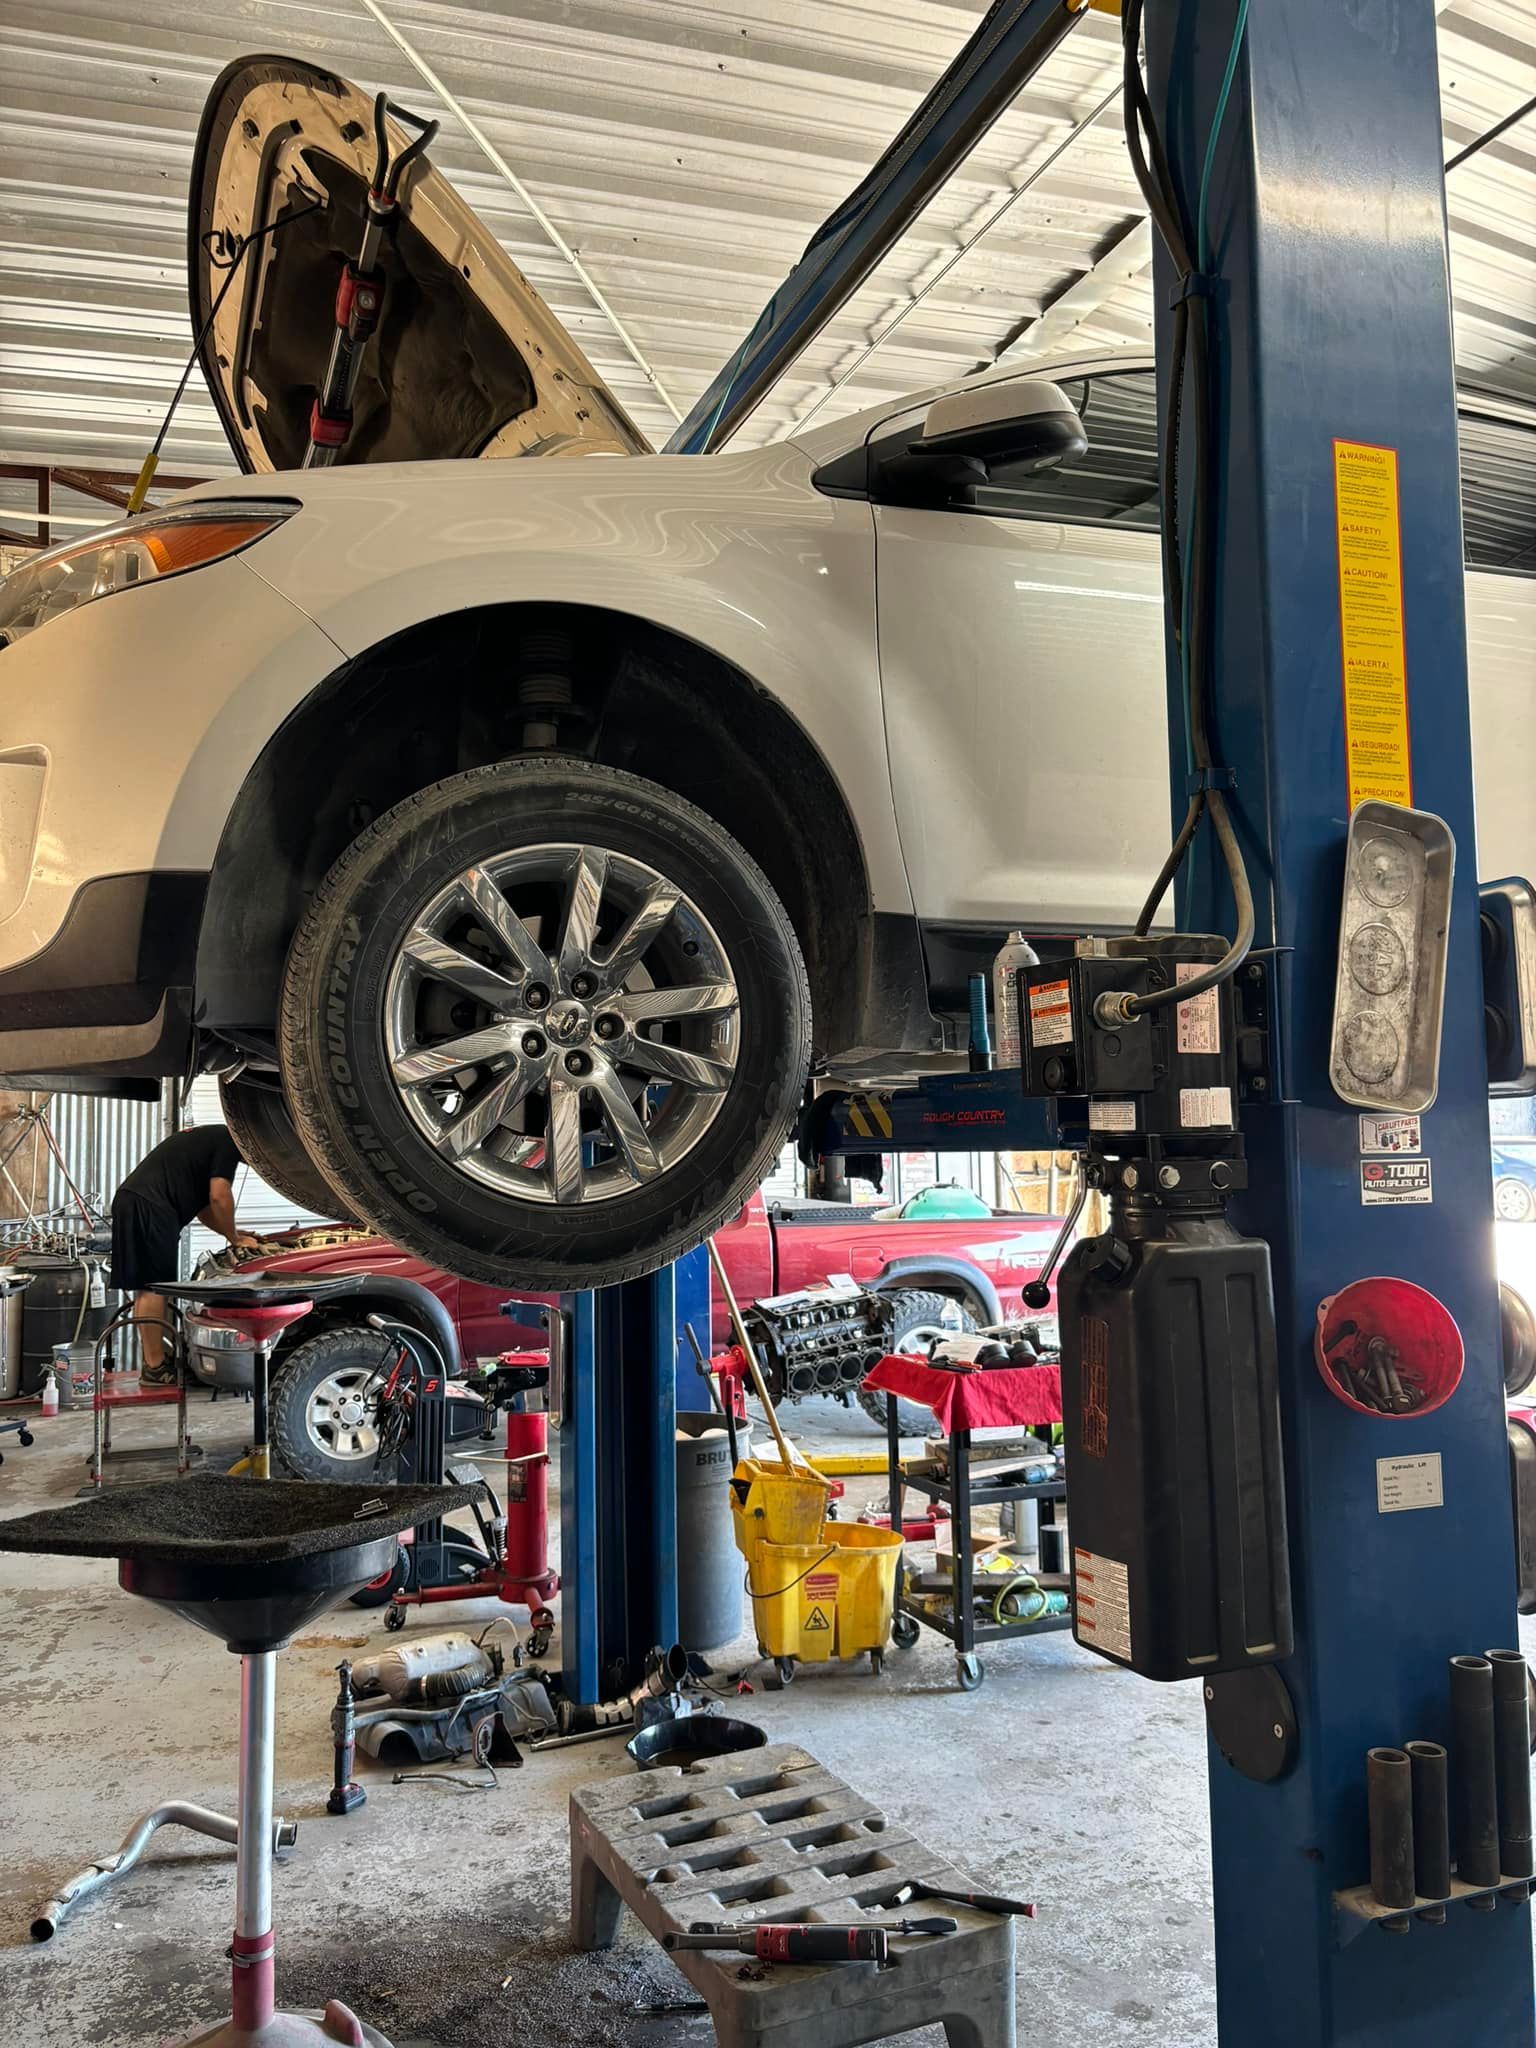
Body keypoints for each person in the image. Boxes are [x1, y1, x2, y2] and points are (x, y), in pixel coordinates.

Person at [110, 1124, 259, 1383]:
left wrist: (234, 1231)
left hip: (137, 1201)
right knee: (152, 1289)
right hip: (151, 1206)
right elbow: (219, 1197)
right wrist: (234, 1238)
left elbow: (204, 1211)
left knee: (149, 1289)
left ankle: (155, 1362)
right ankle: (155, 1368)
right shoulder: (228, 1141)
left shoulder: (211, 1140)